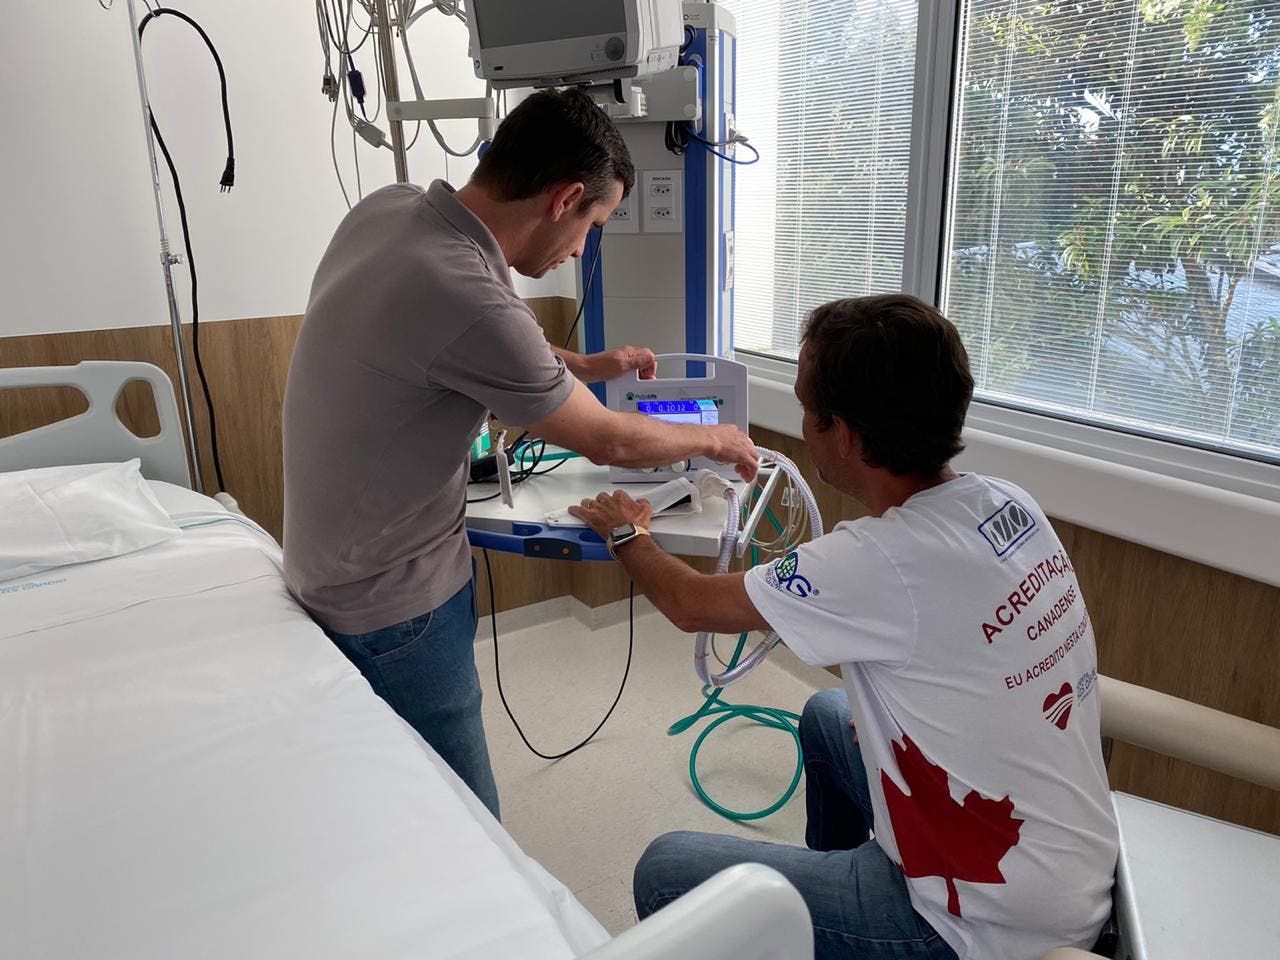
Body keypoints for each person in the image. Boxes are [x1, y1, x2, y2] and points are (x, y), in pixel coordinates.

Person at [569, 294, 1118, 960]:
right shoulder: (1009, 502)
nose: (802, 426)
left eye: (807, 408)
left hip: (978, 926)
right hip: (1071, 878)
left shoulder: (878, 559)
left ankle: (854, 927)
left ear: (849, 437)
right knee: (828, 717)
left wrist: (627, 531)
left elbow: (689, 604)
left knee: (666, 870)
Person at [283, 88, 757, 820]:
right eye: (593, 225)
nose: (582, 248)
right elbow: (610, 439)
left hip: (324, 571)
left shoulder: (390, 211)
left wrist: (587, 367)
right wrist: (715, 438)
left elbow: (465, 345)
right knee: (463, 820)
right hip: (393, 604)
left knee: (385, 796)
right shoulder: (469, 293)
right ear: (564, 199)